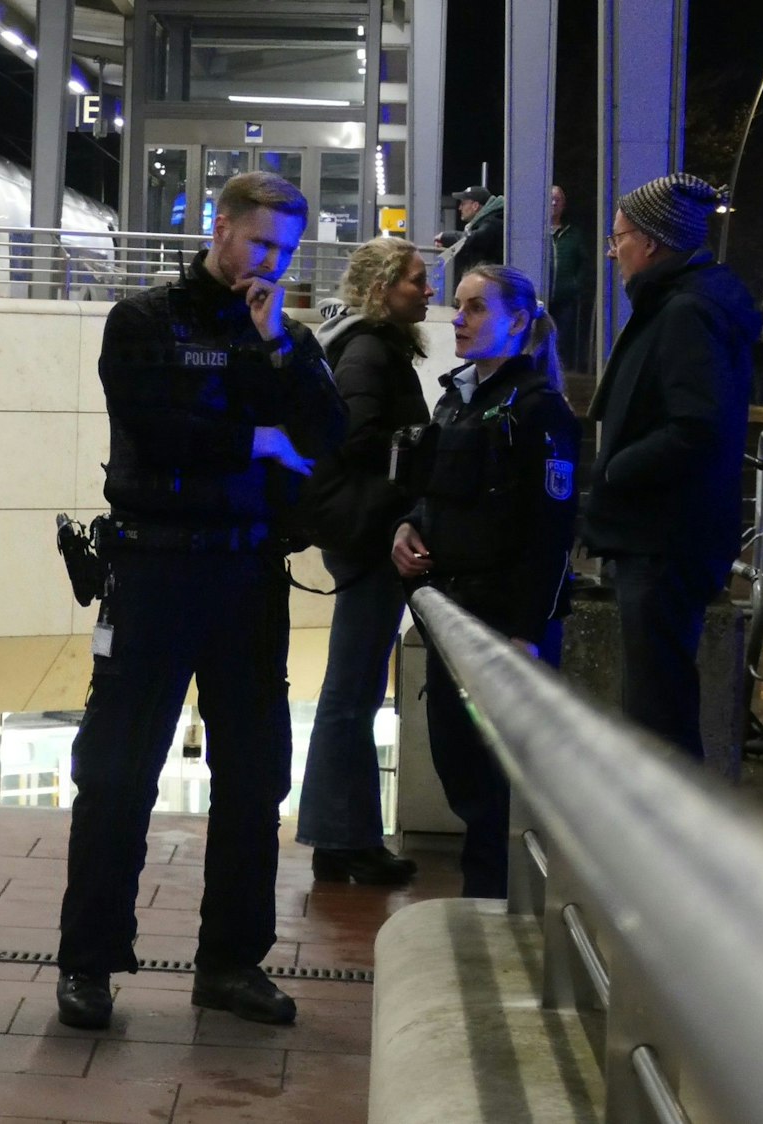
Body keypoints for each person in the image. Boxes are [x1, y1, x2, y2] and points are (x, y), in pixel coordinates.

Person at [53, 171, 346, 1033]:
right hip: (153, 571)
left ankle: (230, 961)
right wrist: (254, 437)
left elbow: (328, 434)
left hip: (247, 574)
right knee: (114, 774)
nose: (269, 262)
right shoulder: (142, 319)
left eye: (284, 251)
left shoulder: (281, 334)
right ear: (220, 229)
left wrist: (279, 347)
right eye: (259, 243)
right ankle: (88, 963)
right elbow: (153, 425)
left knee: (253, 779)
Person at [392, 265, 579, 897]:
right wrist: (408, 528)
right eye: (458, 307)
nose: (458, 320)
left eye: (475, 309)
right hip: (449, 613)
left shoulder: (539, 410)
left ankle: (496, 907)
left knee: (498, 781)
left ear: (519, 322)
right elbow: (432, 493)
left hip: (502, 624)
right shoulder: (456, 397)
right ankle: (486, 900)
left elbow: (552, 532)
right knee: (458, 763)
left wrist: (528, 632)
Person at [583, 172, 754, 759]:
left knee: (657, 711)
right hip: (668, 533)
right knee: (658, 699)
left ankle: (664, 834)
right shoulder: (687, 301)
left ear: (651, 242)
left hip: (663, 535)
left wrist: (616, 470)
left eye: (618, 238)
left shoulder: (685, 311)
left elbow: (695, 426)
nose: (613, 251)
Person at [298, 236, 435, 887]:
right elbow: (353, 439)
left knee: (352, 691)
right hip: (367, 536)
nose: (427, 291)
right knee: (350, 694)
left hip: (360, 532)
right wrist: (416, 451)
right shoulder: (367, 351)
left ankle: (341, 837)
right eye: (416, 280)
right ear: (382, 288)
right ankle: (342, 838)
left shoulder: (360, 343)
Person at [549, 185, 592, 370]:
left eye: (557, 200)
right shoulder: (536, 235)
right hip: (540, 298)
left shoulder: (573, 234)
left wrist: (576, 284)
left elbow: (585, 262)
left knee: (563, 340)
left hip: (565, 298)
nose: (553, 203)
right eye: (550, 199)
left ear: (563, 205)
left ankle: (563, 377)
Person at [436, 186, 505, 298]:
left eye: (463, 204)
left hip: (488, 289)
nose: (459, 208)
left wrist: (445, 236)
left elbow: (473, 239)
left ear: (475, 206)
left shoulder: (493, 222)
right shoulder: (484, 223)